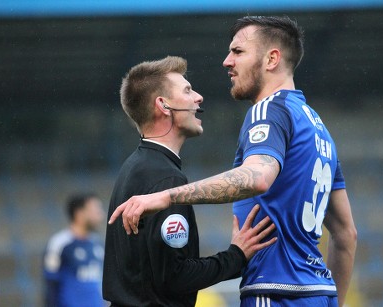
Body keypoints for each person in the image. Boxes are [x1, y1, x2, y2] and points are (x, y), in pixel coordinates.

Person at [109, 16, 358, 307]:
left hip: (276, 291)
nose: (227, 61)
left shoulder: (268, 111)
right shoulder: (318, 128)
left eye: (238, 52)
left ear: (271, 59)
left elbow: (258, 177)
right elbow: (346, 234)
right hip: (319, 294)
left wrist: (166, 196)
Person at [102, 56, 276, 306]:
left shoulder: (133, 168)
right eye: (187, 90)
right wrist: (236, 256)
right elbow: (176, 277)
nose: (198, 97)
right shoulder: (166, 178)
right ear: (163, 105)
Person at [43, 193, 106, 307]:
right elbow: (50, 284)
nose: (100, 214)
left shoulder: (97, 244)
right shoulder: (59, 244)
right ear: (79, 213)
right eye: (95, 210)